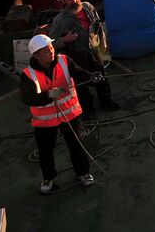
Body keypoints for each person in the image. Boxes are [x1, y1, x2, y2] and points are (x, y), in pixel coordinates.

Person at [20, 33, 93, 194]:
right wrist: (48, 95)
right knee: (45, 151)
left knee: (76, 145)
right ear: (36, 55)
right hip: (45, 121)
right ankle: (48, 178)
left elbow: (78, 73)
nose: (51, 52)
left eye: (51, 48)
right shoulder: (28, 75)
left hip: (69, 114)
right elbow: (27, 98)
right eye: (46, 51)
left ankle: (83, 172)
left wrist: (91, 77)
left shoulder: (64, 61)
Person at [47, 0, 117, 117]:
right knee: (81, 84)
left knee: (101, 78)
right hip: (77, 56)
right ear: (63, 1)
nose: (73, 0)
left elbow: (98, 27)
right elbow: (51, 43)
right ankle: (87, 109)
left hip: (95, 51)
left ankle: (106, 101)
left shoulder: (88, 7)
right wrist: (65, 40)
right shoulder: (60, 20)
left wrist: (103, 48)